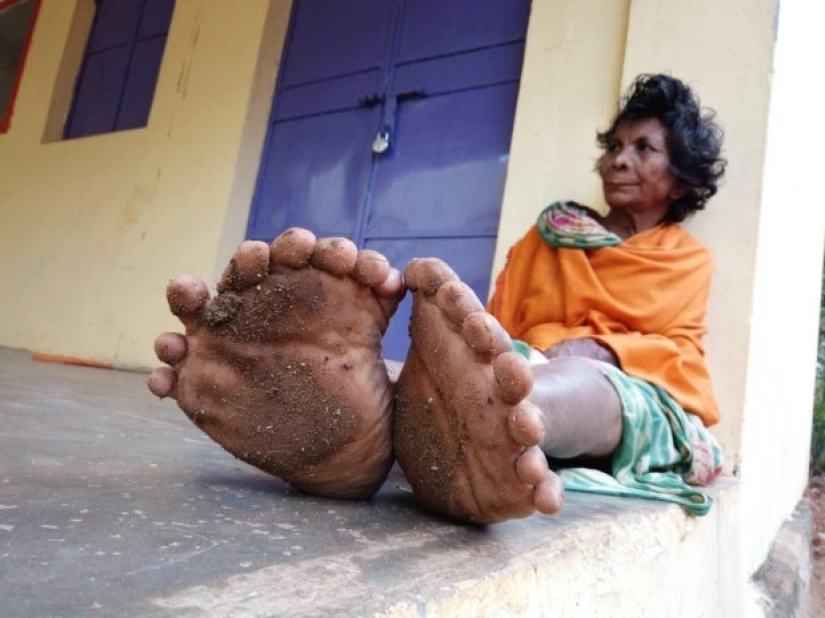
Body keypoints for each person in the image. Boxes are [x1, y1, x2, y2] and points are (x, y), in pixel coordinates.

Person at [148, 74, 727, 524]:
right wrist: (521, 357)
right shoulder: (549, 234)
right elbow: (500, 328)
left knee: (568, 381)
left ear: (679, 180)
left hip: (619, 398)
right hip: (525, 360)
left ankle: (502, 423)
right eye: (615, 146)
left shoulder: (686, 259)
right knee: (467, 375)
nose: (619, 160)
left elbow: (674, 354)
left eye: (644, 149)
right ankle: (354, 417)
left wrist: (592, 351)